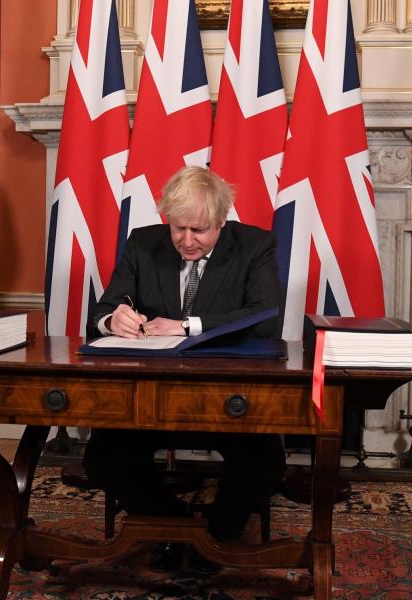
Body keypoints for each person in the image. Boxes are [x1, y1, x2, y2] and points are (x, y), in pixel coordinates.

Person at [83, 166, 285, 573]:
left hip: (227, 398)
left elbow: (264, 317)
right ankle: (173, 525)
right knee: (103, 458)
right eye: (178, 229)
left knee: (264, 462)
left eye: (199, 230)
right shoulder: (143, 243)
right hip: (150, 397)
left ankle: (218, 538)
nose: (187, 241)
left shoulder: (254, 245)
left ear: (221, 222)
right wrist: (112, 321)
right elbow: (103, 310)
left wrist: (187, 326)